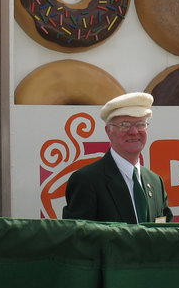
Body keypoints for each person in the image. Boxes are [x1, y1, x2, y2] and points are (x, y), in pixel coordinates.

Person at [62, 92, 173, 224]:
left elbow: (166, 234)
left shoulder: (155, 182)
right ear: (109, 131)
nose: (133, 132)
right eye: (124, 125)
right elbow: (80, 239)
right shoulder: (86, 181)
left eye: (140, 124)